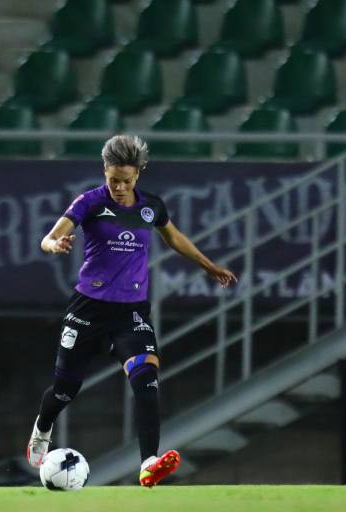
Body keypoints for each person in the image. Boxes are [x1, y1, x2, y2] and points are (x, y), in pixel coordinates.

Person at [26, 135, 237, 487]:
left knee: (146, 379)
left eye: (126, 180)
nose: (119, 188)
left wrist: (208, 265)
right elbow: (49, 237)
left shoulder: (150, 207)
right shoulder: (89, 203)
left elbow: (173, 237)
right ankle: (42, 429)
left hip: (131, 313)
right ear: (104, 172)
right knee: (65, 390)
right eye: (113, 180)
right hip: (88, 310)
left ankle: (149, 463)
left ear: (138, 174)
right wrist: (55, 244)